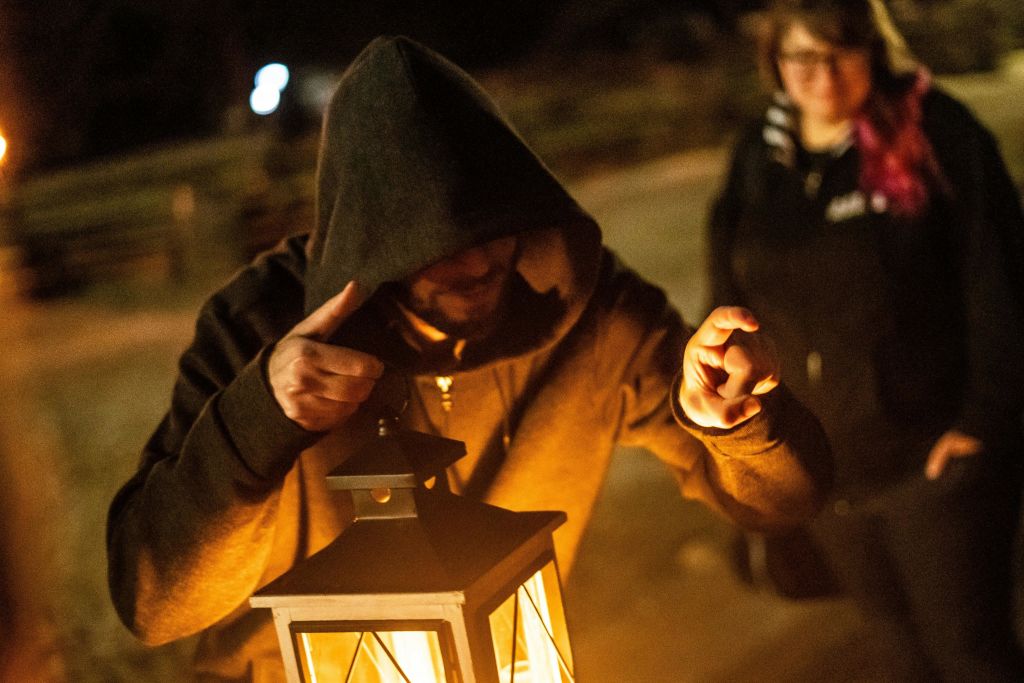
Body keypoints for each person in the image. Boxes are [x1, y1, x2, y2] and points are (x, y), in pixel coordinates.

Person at [107, 35, 831, 680]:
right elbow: (155, 601)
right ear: (374, 239)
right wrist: (258, 419)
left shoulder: (588, 310)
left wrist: (734, 419)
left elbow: (787, 499)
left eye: (490, 229)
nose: (477, 263)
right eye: (434, 247)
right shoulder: (258, 325)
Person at [707, 1, 1024, 679]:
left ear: (872, 52)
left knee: (971, 652)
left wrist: (984, 422)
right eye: (801, 56)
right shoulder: (757, 156)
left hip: (932, 465)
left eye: (839, 52)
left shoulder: (936, 132)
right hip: (826, 472)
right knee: (895, 648)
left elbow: (998, 278)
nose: (822, 75)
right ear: (775, 63)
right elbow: (725, 295)